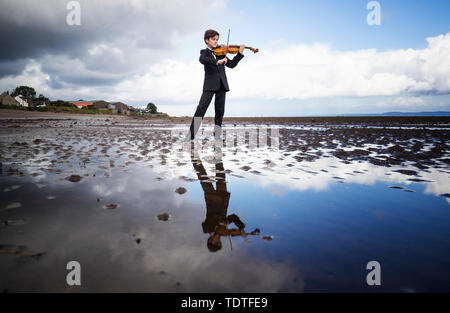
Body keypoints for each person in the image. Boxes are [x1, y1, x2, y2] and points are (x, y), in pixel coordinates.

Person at [186, 29, 245, 141]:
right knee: (201, 109)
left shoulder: (221, 53)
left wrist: (239, 54)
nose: (216, 42)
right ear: (207, 40)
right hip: (209, 85)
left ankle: (217, 134)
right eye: (213, 39)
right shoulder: (204, 52)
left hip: (222, 85)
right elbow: (202, 60)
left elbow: (231, 64)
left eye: (217, 40)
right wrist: (217, 62)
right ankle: (191, 135)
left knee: (220, 111)